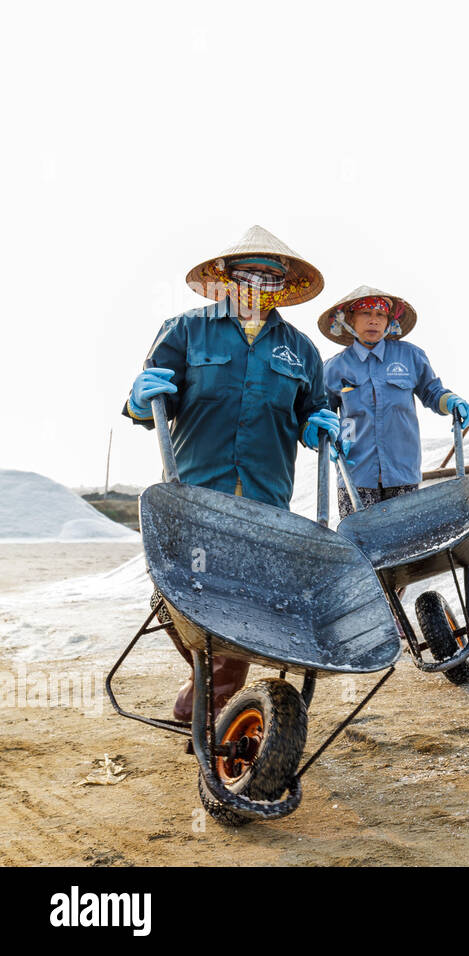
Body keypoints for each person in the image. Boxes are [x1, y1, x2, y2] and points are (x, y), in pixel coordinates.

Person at [124, 225, 340, 724]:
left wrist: (316, 425)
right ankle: (212, 685)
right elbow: (154, 404)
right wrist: (139, 400)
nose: (257, 285)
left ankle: (216, 705)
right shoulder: (184, 330)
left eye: (270, 278)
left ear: (283, 286)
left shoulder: (301, 349)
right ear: (225, 276)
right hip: (195, 493)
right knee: (181, 596)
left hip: (264, 500)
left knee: (246, 605)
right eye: (247, 274)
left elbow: (312, 408)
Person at [318, 286, 469, 518]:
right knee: (359, 542)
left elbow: (432, 392)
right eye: (365, 313)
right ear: (349, 319)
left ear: (389, 321)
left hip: (402, 469)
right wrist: (331, 438)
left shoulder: (410, 356)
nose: (374, 321)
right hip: (355, 472)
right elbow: (325, 412)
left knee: (404, 544)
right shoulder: (335, 367)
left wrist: (450, 401)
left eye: (380, 315)